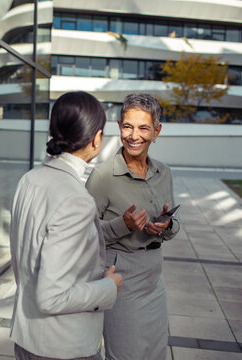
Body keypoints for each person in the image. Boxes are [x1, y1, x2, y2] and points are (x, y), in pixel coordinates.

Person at [9, 91, 123, 360]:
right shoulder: (76, 199)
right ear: (96, 139)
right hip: (62, 347)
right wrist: (109, 286)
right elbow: (52, 297)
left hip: (27, 338)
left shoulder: (30, 180)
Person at [85, 93, 180, 360]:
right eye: (127, 126)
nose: (133, 135)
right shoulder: (103, 176)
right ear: (119, 127)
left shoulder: (164, 173)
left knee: (155, 351)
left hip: (154, 276)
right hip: (120, 277)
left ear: (156, 132)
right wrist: (123, 225)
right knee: (125, 355)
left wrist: (167, 224)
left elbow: (174, 223)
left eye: (143, 128)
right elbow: (83, 233)